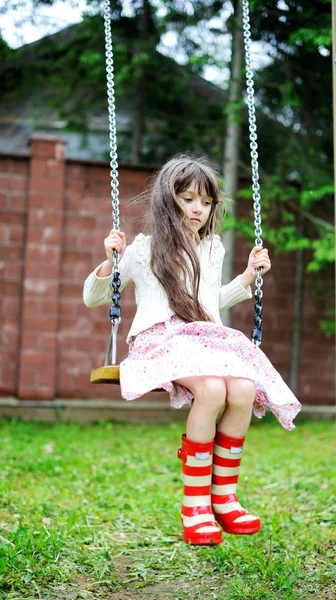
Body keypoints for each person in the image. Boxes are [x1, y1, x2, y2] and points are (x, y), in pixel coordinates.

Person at [83, 155, 301, 546]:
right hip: (160, 341)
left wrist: (247, 280)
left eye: (205, 201)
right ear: (168, 202)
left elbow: (207, 303)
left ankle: (225, 498)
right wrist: (108, 260)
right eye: (187, 199)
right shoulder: (144, 248)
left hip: (204, 336)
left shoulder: (212, 248)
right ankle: (196, 506)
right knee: (213, 390)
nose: (198, 208)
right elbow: (94, 298)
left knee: (245, 389)